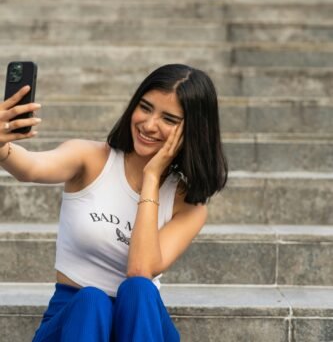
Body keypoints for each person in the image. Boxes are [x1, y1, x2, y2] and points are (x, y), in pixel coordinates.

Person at [0, 64, 228, 341]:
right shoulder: (90, 158)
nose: (149, 124)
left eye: (169, 119)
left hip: (140, 324)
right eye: (145, 107)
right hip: (74, 320)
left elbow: (140, 270)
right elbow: (31, 168)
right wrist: (2, 147)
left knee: (139, 289)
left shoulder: (189, 206)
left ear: (192, 130)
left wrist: (152, 177)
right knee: (91, 300)